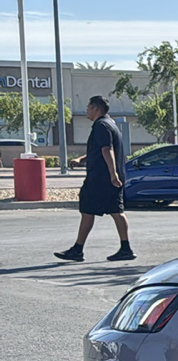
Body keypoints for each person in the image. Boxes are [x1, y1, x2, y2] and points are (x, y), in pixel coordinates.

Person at [55, 95, 134, 262]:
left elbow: (107, 150)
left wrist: (112, 174)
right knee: (116, 211)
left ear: (96, 109)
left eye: (88, 107)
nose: (87, 111)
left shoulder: (100, 126)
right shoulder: (111, 124)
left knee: (88, 210)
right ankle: (125, 248)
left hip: (100, 179)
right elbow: (100, 149)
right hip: (111, 178)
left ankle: (77, 250)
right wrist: (81, 159)